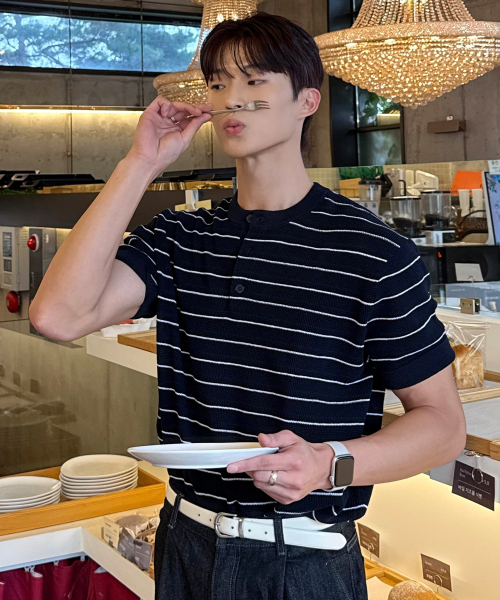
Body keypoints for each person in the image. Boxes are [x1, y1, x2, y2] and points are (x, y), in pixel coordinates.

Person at [30, 12, 466, 600]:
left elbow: (442, 426)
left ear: (307, 101)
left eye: (255, 81)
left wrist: (329, 463)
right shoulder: (182, 237)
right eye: (218, 84)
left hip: (304, 557)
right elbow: (58, 316)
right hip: (185, 537)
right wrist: (141, 163)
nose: (232, 98)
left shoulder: (371, 250)